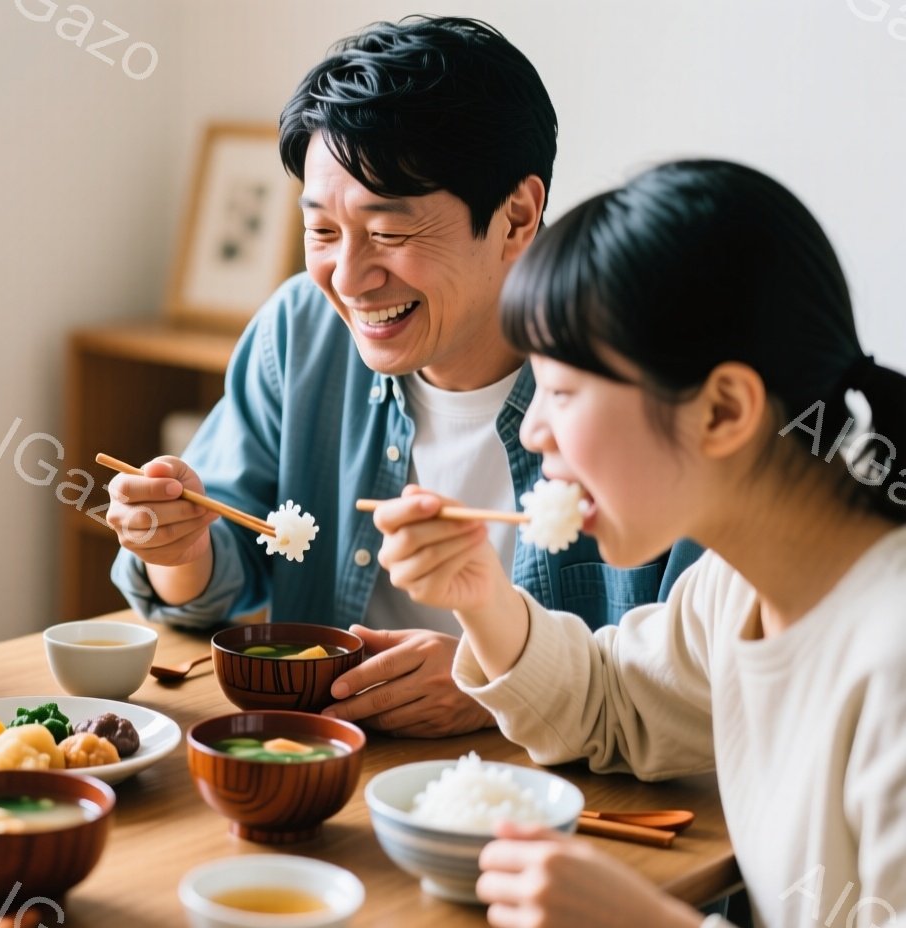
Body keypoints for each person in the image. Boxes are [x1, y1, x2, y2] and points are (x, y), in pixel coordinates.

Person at [105, 16, 701, 737]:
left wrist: (496, 677)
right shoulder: (303, 331)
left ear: (516, 216)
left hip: (557, 795)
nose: (349, 278)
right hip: (331, 769)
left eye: (389, 232)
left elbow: (696, 684)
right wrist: (180, 547)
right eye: (322, 232)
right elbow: (207, 593)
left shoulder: (644, 378)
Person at [372, 160, 906, 928]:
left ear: (723, 409)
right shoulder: (734, 589)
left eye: (561, 391)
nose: (530, 429)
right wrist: (482, 596)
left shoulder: (890, 662)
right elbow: (611, 706)